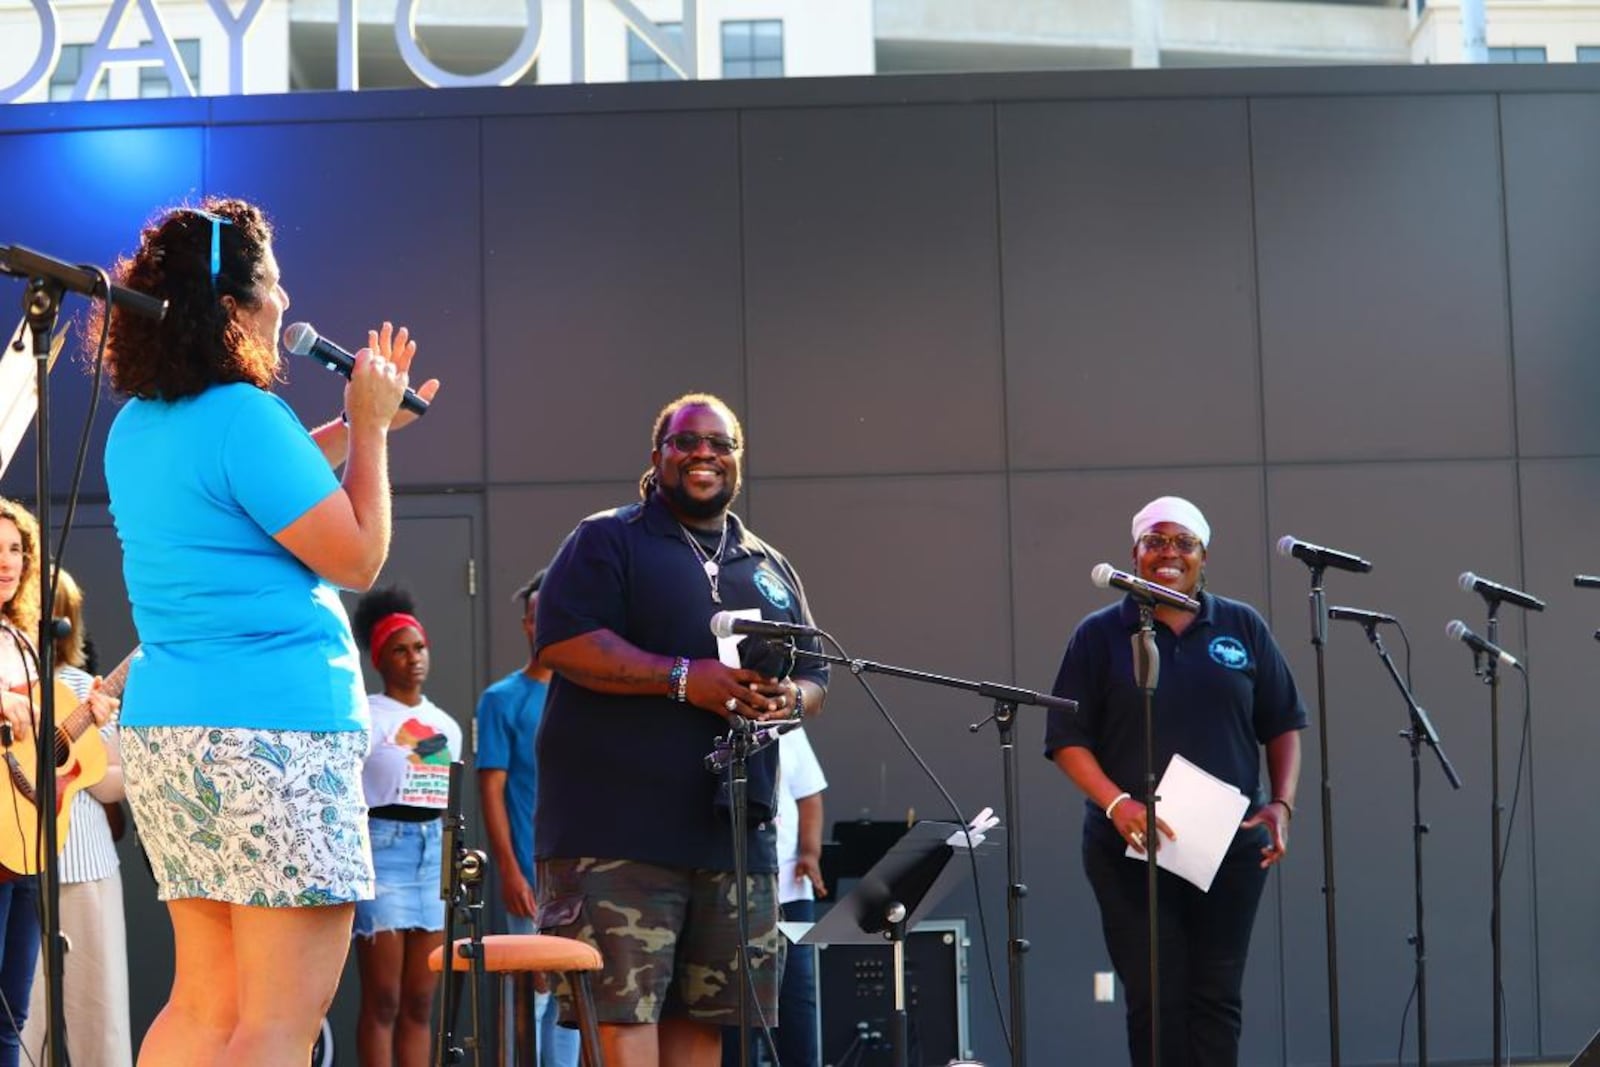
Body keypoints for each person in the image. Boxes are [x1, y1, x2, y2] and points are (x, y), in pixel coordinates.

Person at [101, 196, 438, 1066]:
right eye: (275, 283)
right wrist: (367, 431)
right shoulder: (246, 417)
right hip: (274, 738)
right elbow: (358, 556)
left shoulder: (138, 427)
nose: (287, 301)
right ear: (235, 304)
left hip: (175, 737)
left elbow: (249, 483)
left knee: (204, 1007)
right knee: (280, 1020)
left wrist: (354, 431)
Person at [534, 392, 829, 1067]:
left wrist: (789, 698)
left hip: (729, 837)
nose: (704, 454)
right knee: (621, 1023)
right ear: (657, 456)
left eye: (719, 443)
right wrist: (681, 677)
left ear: (738, 459)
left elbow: (818, 677)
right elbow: (566, 641)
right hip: (618, 837)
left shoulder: (768, 564)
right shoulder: (608, 539)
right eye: (686, 441)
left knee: (706, 1022)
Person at [1045, 495, 1306, 1067]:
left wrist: (1281, 804)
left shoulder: (1242, 625)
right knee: (1155, 1000)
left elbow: (1284, 722)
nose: (1169, 553)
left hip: (1229, 847)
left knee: (1216, 997)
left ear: (1203, 556)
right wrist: (1118, 804)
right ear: (1134, 553)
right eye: (1155, 541)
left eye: (1182, 543)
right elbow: (1066, 738)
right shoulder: (1099, 634)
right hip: (1130, 846)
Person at [0, 503, 116, 1067]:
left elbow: (49, 744)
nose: (7, 562)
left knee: (13, 1013)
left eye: (16, 550)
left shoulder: (24, 639)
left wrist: (88, 714)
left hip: (28, 840)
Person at [21, 569, 133, 1067]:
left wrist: (86, 747)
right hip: (18, 867)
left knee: (100, 1016)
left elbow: (116, 783)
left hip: (87, 868)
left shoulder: (86, 689)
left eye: (57, 612)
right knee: (23, 1020)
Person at [350, 587, 463, 1067]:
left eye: (419, 647)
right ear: (380, 659)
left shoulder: (445, 725)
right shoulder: (365, 717)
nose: (413, 658)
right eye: (400, 649)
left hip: (433, 852)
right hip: (382, 849)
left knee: (420, 1002)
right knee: (384, 999)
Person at [475, 569, 579, 1067]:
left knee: (572, 999)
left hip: (581, 873)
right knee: (533, 993)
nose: (544, 627)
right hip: (531, 873)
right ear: (525, 625)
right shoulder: (501, 700)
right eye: (536, 618)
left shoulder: (583, 697)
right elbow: (490, 792)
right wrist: (511, 870)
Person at [722, 726, 828, 1067]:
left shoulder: (789, 728)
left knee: (797, 999)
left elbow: (810, 795)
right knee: (734, 1007)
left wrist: (809, 854)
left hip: (791, 892)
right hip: (733, 890)